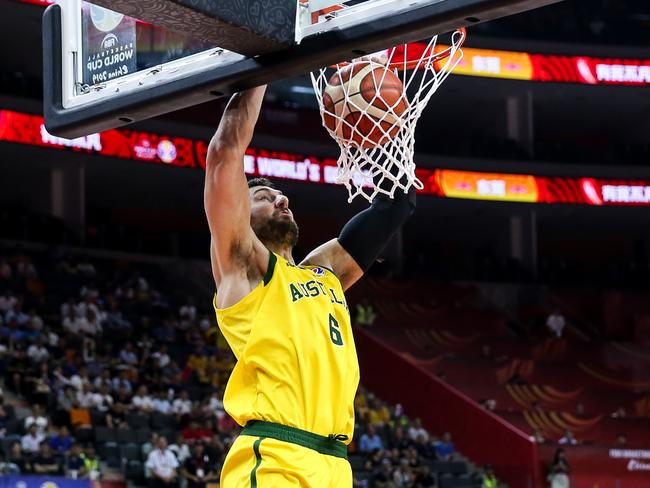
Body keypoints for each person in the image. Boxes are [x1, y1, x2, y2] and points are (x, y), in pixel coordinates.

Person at [206, 87, 415, 486]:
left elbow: (395, 206)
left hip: (334, 464)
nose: (281, 199)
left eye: (280, 194)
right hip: (276, 456)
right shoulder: (244, 269)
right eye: (264, 198)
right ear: (238, 216)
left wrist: (384, 128)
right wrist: (263, 72)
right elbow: (224, 153)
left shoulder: (324, 271)